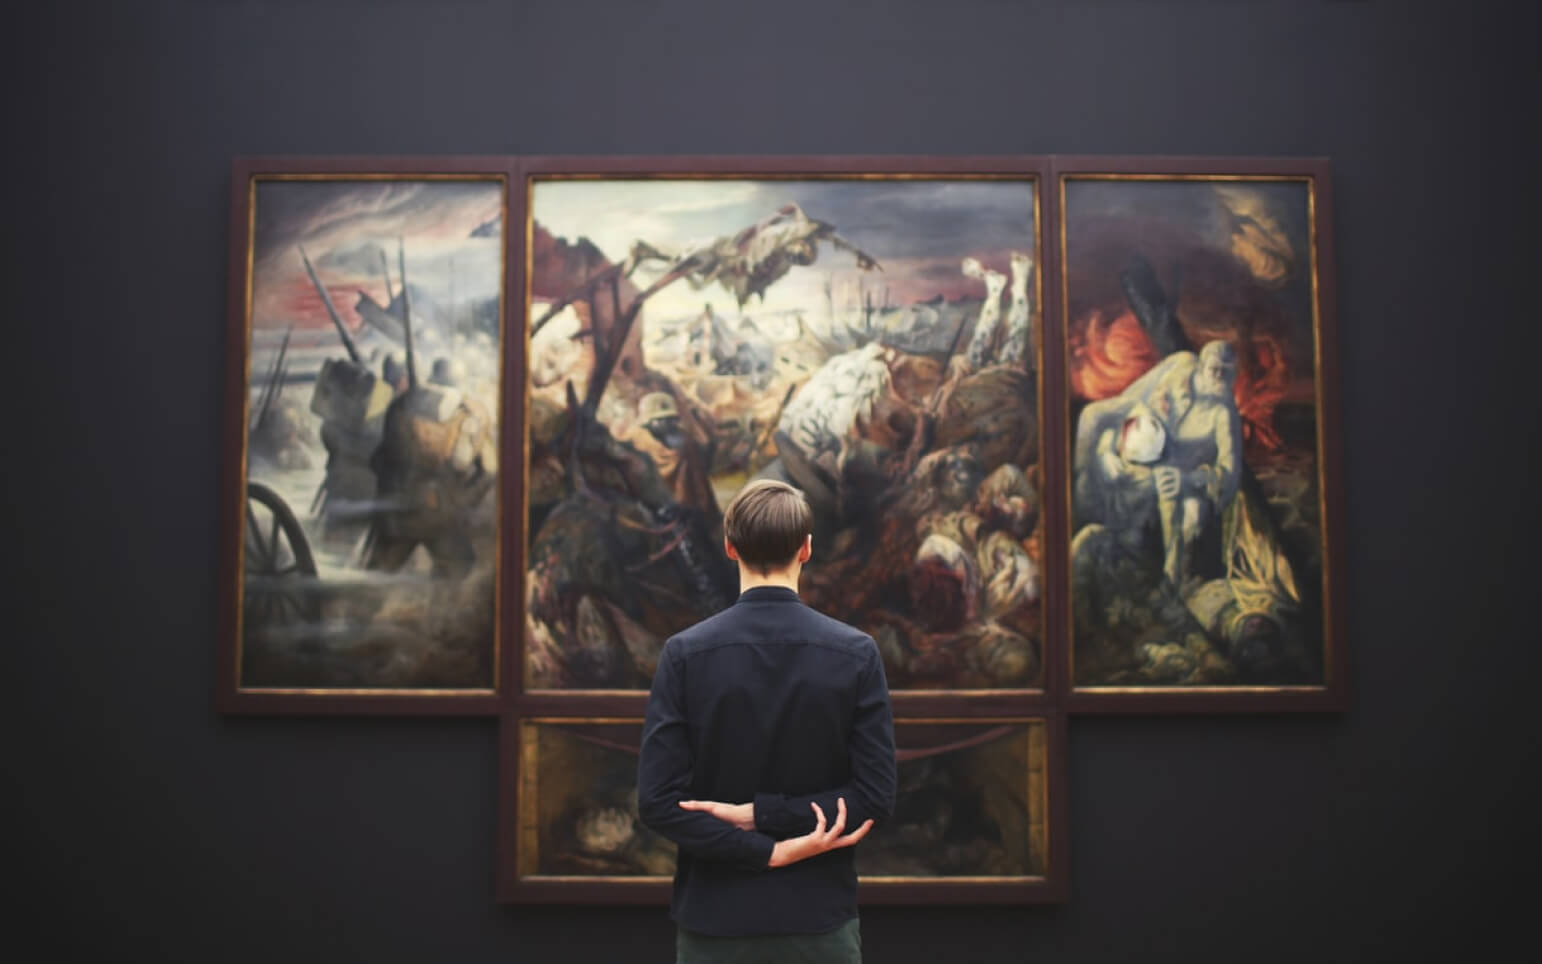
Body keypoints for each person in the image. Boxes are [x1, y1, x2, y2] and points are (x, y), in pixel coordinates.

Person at [637, 479, 897, 963]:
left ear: (730, 547)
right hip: (818, 922)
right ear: (806, 548)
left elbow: (657, 803)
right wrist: (770, 841)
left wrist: (757, 821)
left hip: (715, 924)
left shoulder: (684, 654)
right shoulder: (856, 653)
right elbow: (874, 797)